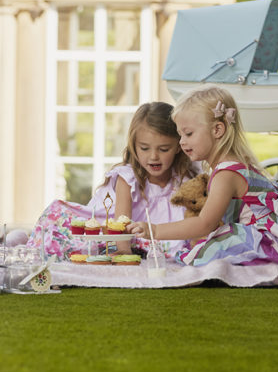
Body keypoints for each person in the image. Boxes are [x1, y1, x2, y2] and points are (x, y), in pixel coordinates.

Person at [127, 85, 278, 266]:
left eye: (188, 134)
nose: (182, 142)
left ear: (217, 130)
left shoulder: (226, 174)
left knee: (208, 251)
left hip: (272, 237)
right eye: (180, 135)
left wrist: (154, 230)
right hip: (271, 229)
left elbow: (204, 223)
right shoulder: (233, 164)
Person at [28, 102, 198, 259]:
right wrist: (124, 250)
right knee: (65, 242)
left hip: (155, 238)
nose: (153, 156)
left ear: (178, 146)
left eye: (163, 149)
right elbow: (121, 221)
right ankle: (22, 240)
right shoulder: (128, 177)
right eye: (144, 148)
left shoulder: (184, 180)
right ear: (134, 145)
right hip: (117, 232)